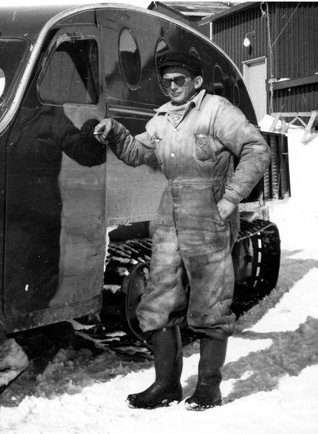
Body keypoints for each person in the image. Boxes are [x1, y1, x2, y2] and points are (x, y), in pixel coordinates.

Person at [93, 51, 270, 411]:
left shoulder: (217, 110)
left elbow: (256, 149)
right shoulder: (161, 120)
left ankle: (208, 387)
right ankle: (166, 385)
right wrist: (116, 133)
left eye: (179, 80)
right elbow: (136, 152)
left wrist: (231, 198)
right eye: (166, 81)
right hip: (169, 216)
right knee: (159, 299)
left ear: (196, 82)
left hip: (209, 216)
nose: (172, 86)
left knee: (209, 303)